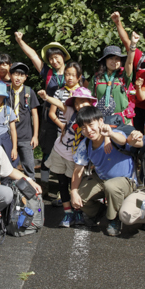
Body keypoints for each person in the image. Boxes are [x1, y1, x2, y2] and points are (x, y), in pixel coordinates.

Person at [71, 107, 143, 236]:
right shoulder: (85, 144)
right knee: (79, 195)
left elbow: (123, 140)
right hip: (102, 179)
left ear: (100, 121)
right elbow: (77, 170)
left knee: (111, 186)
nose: (88, 131)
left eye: (91, 125)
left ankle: (113, 218)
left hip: (126, 181)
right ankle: (100, 212)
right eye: (83, 128)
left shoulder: (115, 134)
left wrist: (110, 135)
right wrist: (73, 191)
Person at [14, 30, 71, 195]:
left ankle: (64, 187)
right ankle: (44, 184)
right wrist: (19, 41)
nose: (54, 61)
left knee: (68, 150)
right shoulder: (48, 72)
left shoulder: (73, 71)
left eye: (56, 57)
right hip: (49, 117)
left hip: (67, 115)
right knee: (47, 150)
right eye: (51, 58)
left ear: (63, 56)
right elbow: (33, 56)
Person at [37, 87, 101, 228]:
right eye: (77, 103)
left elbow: (104, 131)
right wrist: (46, 97)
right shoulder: (71, 112)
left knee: (74, 184)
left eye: (83, 102)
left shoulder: (93, 120)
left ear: (90, 103)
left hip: (75, 158)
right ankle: (67, 212)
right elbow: (59, 104)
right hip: (59, 151)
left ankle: (77, 210)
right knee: (61, 183)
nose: (79, 106)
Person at [88, 32, 139, 120]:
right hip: (101, 120)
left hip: (122, 120)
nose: (114, 61)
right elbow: (89, 99)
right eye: (111, 58)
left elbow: (130, 62)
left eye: (117, 59)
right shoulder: (97, 78)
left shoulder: (123, 76)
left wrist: (133, 45)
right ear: (105, 60)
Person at [8, 62, 40, 179]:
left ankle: (32, 194)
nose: (18, 78)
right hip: (9, 136)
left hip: (26, 136)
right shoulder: (5, 91)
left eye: (22, 75)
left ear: (26, 77)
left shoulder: (29, 92)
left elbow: (35, 114)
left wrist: (35, 135)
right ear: (10, 75)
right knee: (10, 166)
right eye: (16, 74)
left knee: (29, 167)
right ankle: (13, 193)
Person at [48, 60, 83, 133]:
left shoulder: (83, 93)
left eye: (73, 75)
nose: (70, 78)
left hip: (80, 131)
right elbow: (51, 113)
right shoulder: (59, 92)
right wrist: (61, 125)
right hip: (62, 132)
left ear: (79, 77)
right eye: (67, 74)